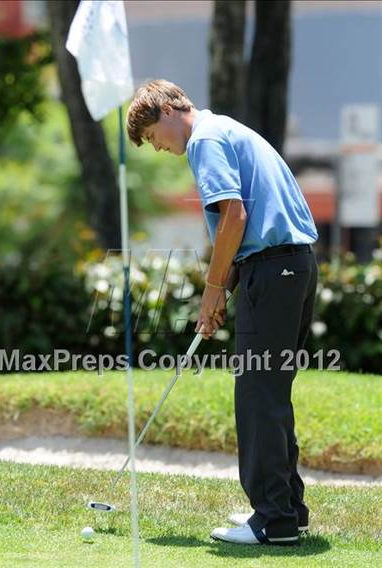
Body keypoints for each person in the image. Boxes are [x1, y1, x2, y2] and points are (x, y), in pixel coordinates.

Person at [126, 79, 319, 546]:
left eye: (154, 137)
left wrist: (213, 287)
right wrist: (224, 291)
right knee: (271, 391)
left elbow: (234, 216)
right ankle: (287, 508)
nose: (160, 149)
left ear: (169, 110)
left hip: (274, 271)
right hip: (291, 266)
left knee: (257, 396)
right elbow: (247, 224)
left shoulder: (205, 141)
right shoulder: (226, 128)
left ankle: (273, 520)